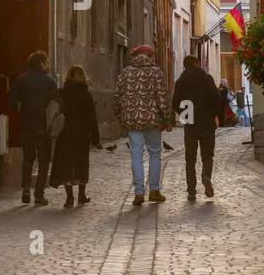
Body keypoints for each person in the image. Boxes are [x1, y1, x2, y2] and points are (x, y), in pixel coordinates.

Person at [113, 44, 171, 206]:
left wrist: (120, 116)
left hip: (133, 120)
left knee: (136, 154)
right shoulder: (156, 73)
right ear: (150, 57)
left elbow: (117, 97)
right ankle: (154, 190)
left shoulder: (125, 73)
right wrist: (166, 119)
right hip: (153, 120)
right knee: (154, 154)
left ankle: (138, 192)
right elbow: (162, 98)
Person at [9, 50, 57, 206]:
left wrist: (22, 109)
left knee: (28, 160)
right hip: (44, 127)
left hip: (27, 126)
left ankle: (25, 190)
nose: (49, 64)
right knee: (43, 162)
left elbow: (12, 102)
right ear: (42, 63)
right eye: (47, 62)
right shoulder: (50, 81)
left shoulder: (22, 80)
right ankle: (39, 194)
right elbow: (56, 105)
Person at [49, 65, 101, 207]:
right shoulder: (86, 95)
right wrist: (95, 137)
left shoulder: (61, 93)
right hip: (81, 135)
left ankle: (69, 198)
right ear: (83, 77)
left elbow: (53, 110)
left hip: (65, 134)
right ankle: (82, 195)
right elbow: (92, 118)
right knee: (81, 163)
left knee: (66, 163)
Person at [172, 54, 222, 201]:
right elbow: (217, 99)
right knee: (207, 155)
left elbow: (175, 103)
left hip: (190, 124)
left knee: (190, 159)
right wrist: (214, 115)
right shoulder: (207, 78)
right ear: (197, 63)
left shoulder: (180, 82)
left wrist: (185, 115)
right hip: (207, 124)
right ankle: (206, 175)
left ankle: (191, 191)